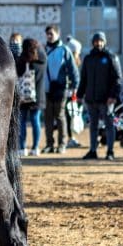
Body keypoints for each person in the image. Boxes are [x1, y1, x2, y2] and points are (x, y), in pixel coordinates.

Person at [76, 31, 122, 160]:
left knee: (109, 125)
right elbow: (83, 79)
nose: (99, 43)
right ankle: (93, 150)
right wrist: (80, 95)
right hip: (91, 99)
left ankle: (110, 151)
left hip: (106, 100)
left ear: (104, 42)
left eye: (101, 41)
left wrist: (113, 96)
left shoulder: (110, 57)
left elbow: (117, 79)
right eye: (96, 41)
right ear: (93, 42)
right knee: (93, 126)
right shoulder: (88, 58)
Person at [43, 25, 79, 154]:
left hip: (61, 88)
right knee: (47, 117)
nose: (49, 36)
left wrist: (74, 87)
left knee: (59, 116)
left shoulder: (64, 50)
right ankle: (49, 144)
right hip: (46, 89)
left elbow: (73, 71)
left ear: (57, 34)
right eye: (47, 34)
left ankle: (62, 144)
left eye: (51, 34)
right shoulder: (43, 49)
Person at [15, 38, 46, 156]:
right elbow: (42, 54)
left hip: (23, 96)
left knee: (22, 122)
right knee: (35, 121)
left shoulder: (21, 61)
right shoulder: (42, 61)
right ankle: (35, 147)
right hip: (37, 96)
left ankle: (22, 148)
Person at [63, 36, 83, 149]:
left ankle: (71, 137)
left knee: (71, 115)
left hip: (72, 93)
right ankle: (69, 138)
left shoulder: (74, 61)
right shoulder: (69, 62)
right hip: (69, 92)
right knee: (68, 116)